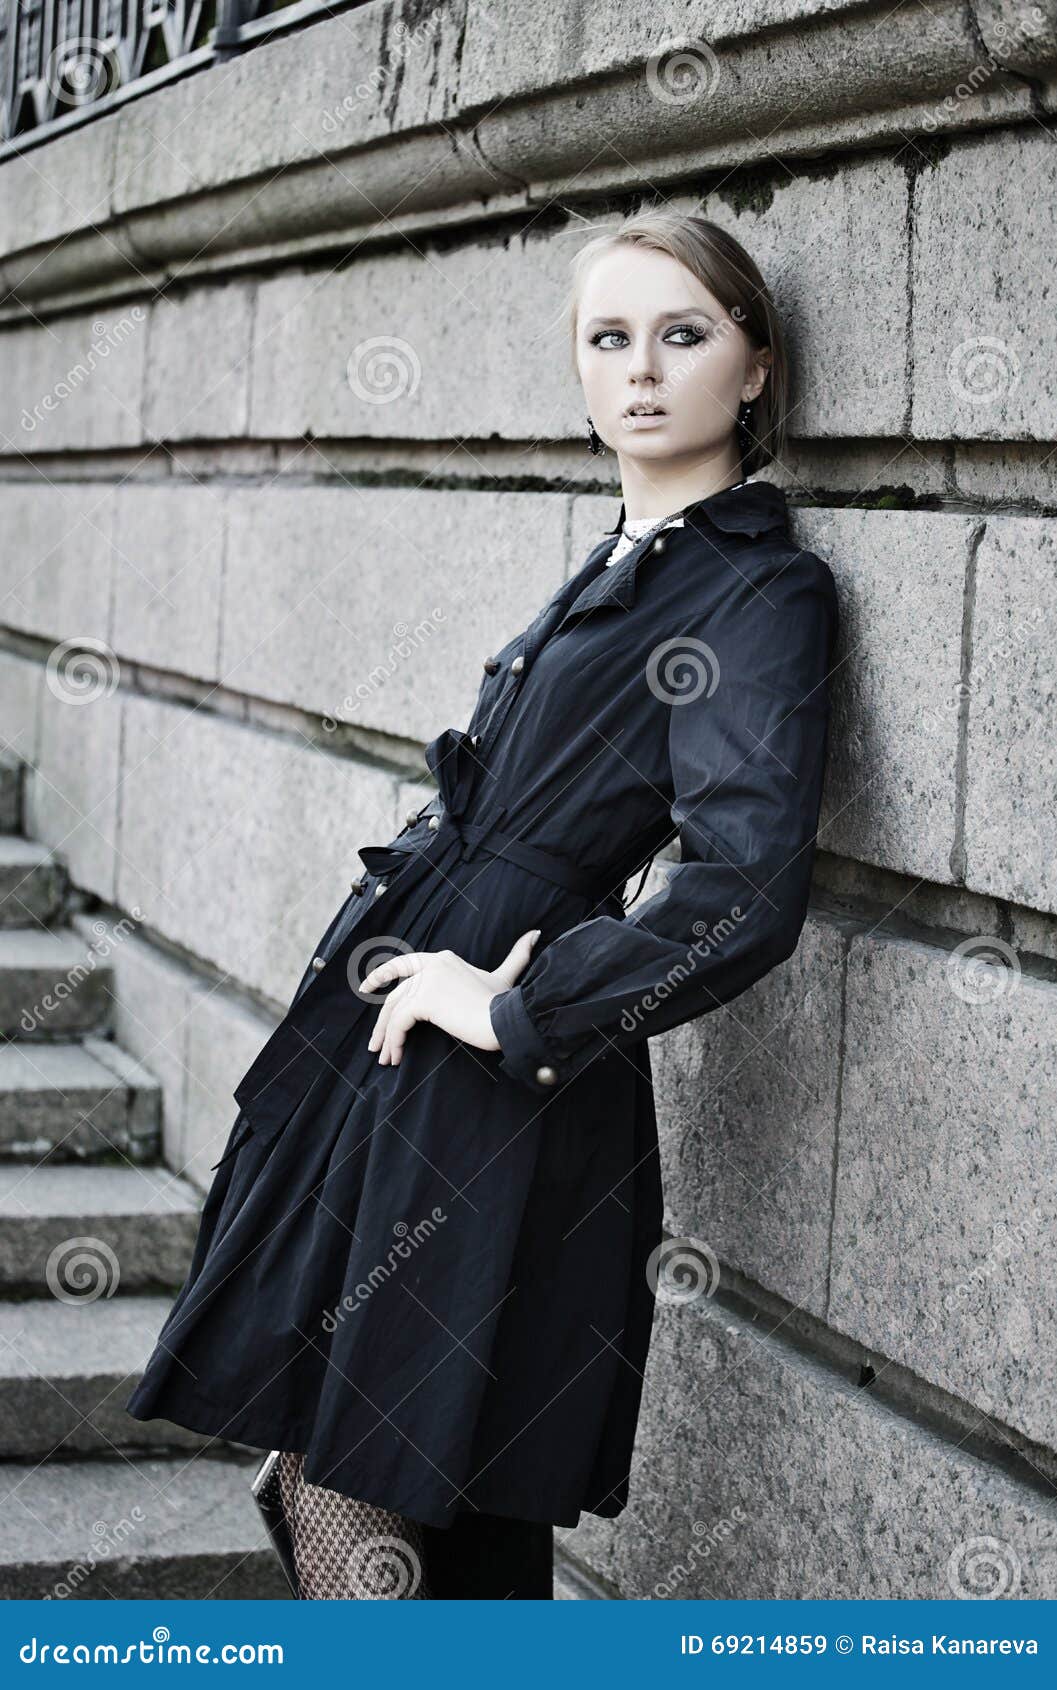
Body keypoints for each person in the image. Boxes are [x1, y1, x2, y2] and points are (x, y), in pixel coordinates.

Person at [125, 209, 839, 1600]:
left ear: (753, 368)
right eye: (609, 339)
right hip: (400, 1055)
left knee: (387, 1464)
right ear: (576, 372)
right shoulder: (626, 556)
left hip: (499, 1082)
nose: (642, 370)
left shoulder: (756, 587)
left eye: (683, 335)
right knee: (396, 1467)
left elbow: (745, 890)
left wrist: (515, 1001)